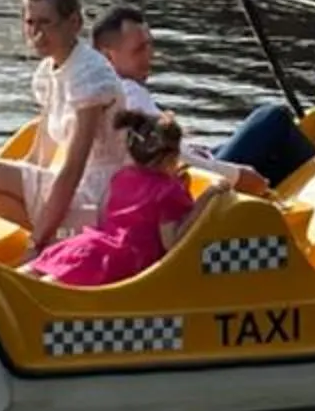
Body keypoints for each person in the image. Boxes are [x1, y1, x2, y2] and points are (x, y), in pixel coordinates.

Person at [0, 0, 124, 254]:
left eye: (46, 23)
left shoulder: (90, 76)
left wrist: (36, 240)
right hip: (65, 185)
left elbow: (73, 168)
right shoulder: (49, 71)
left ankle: (51, 243)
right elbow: (40, 155)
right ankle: (50, 236)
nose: (37, 34)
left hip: (98, 193)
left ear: (74, 23)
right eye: (31, 24)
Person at [92, 4, 272, 197]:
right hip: (199, 180)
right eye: (139, 50)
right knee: (273, 118)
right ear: (108, 56)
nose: (150, 55)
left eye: (150, 45)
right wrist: (239, 176)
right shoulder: (129, 95)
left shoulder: (93, 91)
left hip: (186, 165)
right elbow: (175, 157)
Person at [28, 108, 198, 287]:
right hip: (126, 259)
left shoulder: (122, 176)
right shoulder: (169, 191)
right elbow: (171, 243)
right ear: (171, 157)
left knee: (42, 270)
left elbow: (104, 215)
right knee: (52, 284)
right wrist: (204, 201)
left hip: (95, 242)